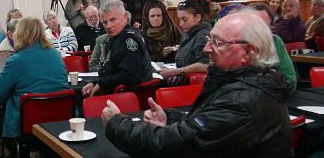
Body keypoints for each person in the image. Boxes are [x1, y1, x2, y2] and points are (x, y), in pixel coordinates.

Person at [102, 11, 293, 157]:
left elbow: (168, 145)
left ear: (249, 53)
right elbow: (207, 125)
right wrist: (170, 118)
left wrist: (116, 124)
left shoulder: (242, 102)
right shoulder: (249, 85)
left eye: (217, 42)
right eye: (210, 39)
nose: (206, 48)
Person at [0, 17, 69, 142]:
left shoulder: (16, 60)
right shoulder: (56, 55)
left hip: (27, 126)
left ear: (20, 34)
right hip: (60, 121)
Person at [81, 0, 152, 97]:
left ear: (125, 18)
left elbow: (130, 76)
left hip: (130, 100)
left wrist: (102, 83)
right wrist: (95, 82)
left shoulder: (128, 40)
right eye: (105, 22)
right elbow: (113, 71)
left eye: (113, 20)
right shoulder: (116, 38)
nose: (108, 26)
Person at [156, 0, 211, 84]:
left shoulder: (203, 35)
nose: (181, 24)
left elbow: (204, 65)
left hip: (193, 87)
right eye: (179, 19)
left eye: (185, 20)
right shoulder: (187, 34)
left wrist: (175, 72)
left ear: (197, 18)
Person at [246, 3, 297, 91]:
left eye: (264, 25)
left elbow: (290, 79)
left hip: (275, 96)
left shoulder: (276, 41)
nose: (259, 29)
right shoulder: (236, 45)